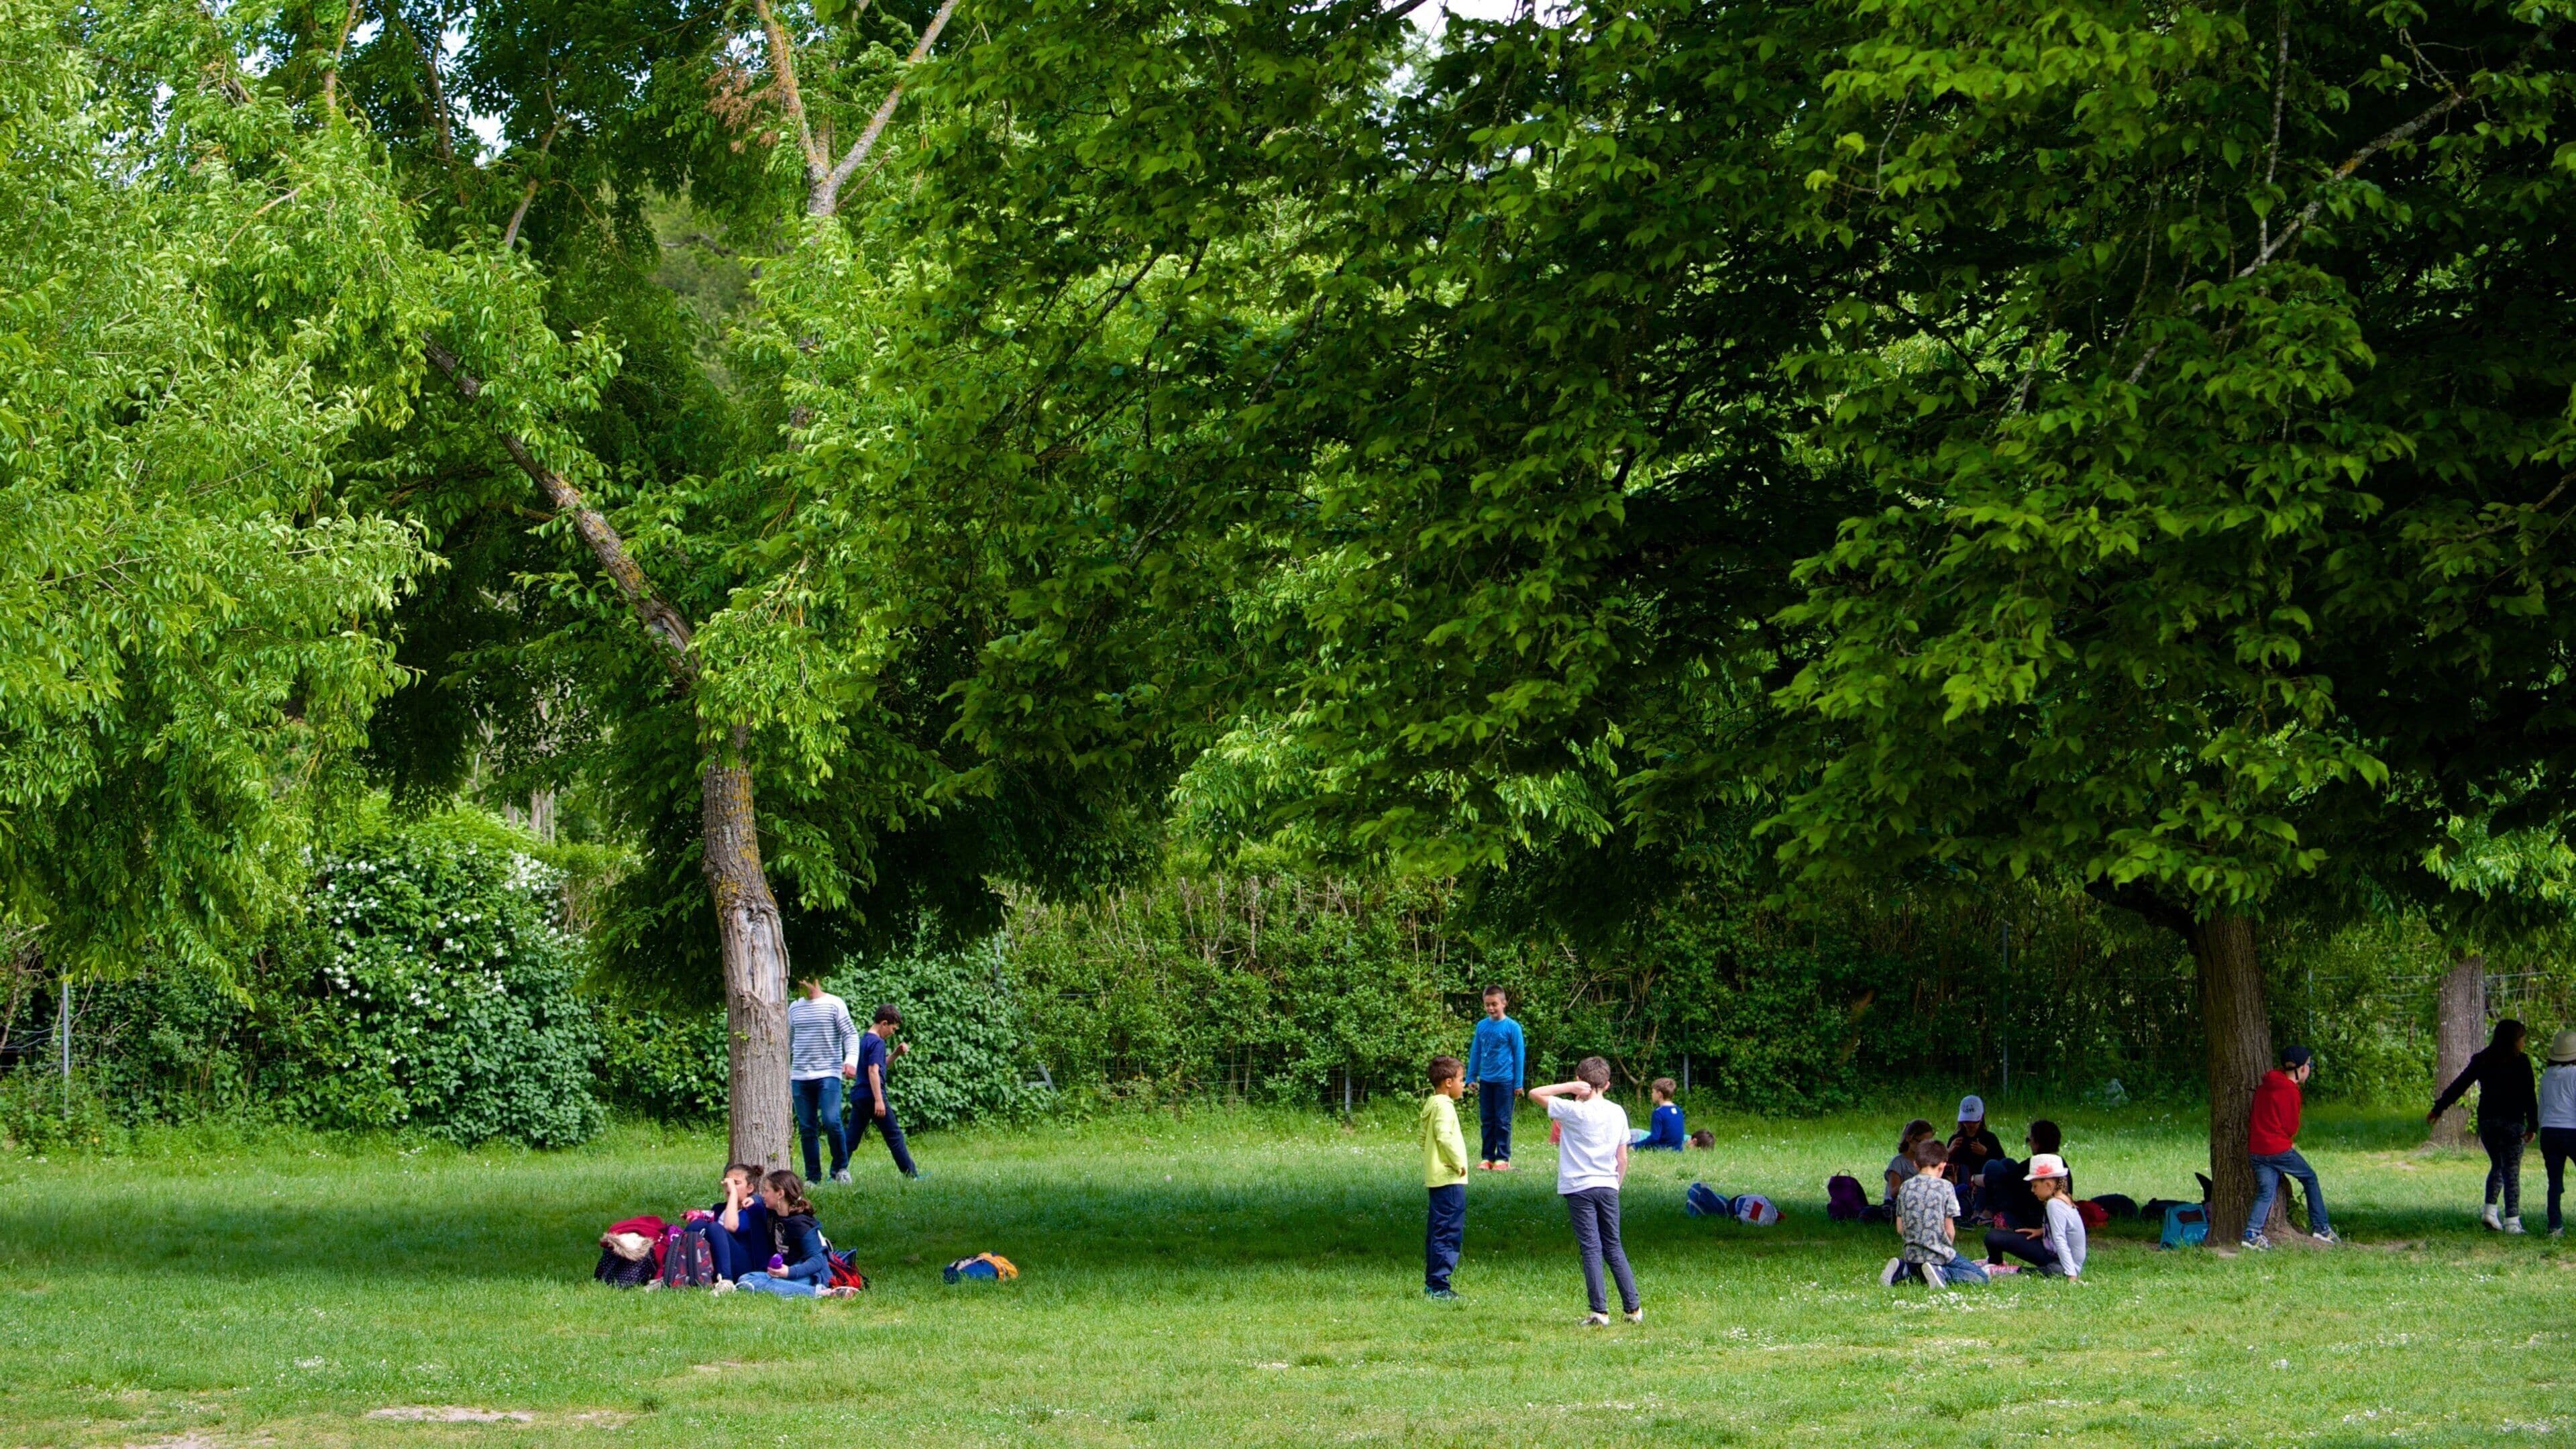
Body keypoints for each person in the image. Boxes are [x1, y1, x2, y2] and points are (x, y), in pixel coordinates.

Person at [1531, 1057, 1642, 1325]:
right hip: (1608, 1186)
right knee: (1613, 1245)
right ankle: (1634, 1309)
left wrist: (1569, 1086)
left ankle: (1599, 1312)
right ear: (1608, 1084)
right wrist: (1615, 1185)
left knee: (1591, 1247)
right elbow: (1623, 1158)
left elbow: (1535, 1093)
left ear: (1579, 1081)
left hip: (1579, 1187)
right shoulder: (1617, 1112)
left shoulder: (1572, 1110)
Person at [2430, 1018, 2538, 1234]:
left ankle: (2489, 1211)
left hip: (2487, 1122)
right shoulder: (2521, 1062)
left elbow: (2460, 1084)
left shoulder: (2482, 1059)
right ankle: (2512, 1222)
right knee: (2511, 1170)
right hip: (2512, 1122)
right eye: (2522, 1039)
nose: (2524, 1043)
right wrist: (2533, 1125)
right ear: (2513, 1040)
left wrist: (2439, 1107)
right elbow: (2529, 1095)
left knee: (2498, 1164)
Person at [2246, 1044, 2337, 1248]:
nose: (2310, 1069)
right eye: (2310, 1065)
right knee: (2309, 1178)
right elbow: (2290, 1127)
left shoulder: (2265, 1086)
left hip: (2257, 1150)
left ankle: (2252, 1234)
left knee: (2266, 1191)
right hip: (2278, 1150)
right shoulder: (2290, 1091)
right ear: (2302, 1068)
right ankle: (2321, 1227)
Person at [1880, 1136, 1988, 1287]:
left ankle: (1904, 1269)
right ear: (1942, 1166)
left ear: (1915, 1164)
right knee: (1981, 1277)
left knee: (1923, 1269)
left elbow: (1900, 1228)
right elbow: (1949, 1230)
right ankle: (1942, 1272)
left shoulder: (1905, 1187)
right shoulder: (1946, 1187)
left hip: (1912, 1254)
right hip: (1940, 1253)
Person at [729, 1171, 857, 1298]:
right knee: (747, 1279)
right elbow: (761, 1200)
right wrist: (754, 1199)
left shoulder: (800, 1223)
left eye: (766, 1191)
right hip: (788, 1272)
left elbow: (817, 1261)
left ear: (780, 1194)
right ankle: (799, 1290)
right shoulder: (774, 1212)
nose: (763, 1195)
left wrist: (789, 1272)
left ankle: (822, 1293)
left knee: (747, 1281)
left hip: (810, 1275)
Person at [787, 978, 859, 1184]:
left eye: (805, 978)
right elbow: (789, 1040)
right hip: (800, 1076)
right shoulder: (794, 1007)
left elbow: (850, 1035)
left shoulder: (834, 1004)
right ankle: (813, 1177)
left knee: (831, 1120)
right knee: (807, 1127)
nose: (801, 982)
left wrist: (851, 1060)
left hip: (828, 1073)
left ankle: (840, 1169)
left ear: (815, 979)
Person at [849, 1003, 920, 1179]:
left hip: (859, 1096)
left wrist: (895, 1054)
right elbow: (873, 1072)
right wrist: (879, 1100)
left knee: (851, 1138)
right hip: (873, 1096)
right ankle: (911, 1175)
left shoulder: (864, 1040)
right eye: (893, 1029)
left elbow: (879, 1066)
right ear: (884, 1023)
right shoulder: (878, 1042)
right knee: (894, 1136)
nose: (893, 1033)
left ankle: (836, 1172)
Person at [1986, 1153, 2086, 1277]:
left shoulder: (2054, 1204)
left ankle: (2010, 1271)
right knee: (1993, 1237)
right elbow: (2067, 1229)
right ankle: (1995, 1263)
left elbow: (2060, 1240)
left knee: (2056, 1271)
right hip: (2051, 1252)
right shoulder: (2062, 1199)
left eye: (2035, 1186)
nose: (2032, 1190)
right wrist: (2042, 1231)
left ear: (2048, 1185)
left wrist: (2071, 1274)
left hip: (2064, 1262)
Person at [1421, 1055, 1470, 1299]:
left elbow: (1423, 1138)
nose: (1464, 1084)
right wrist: (1458, 1162)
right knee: (1449, 1232)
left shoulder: (1431, 1103)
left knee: (1437, 1230)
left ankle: (1433, 1283)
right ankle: (1439, 1286)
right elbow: (1443, 1136)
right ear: (1449, 1082)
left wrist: (1432, 1160)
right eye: (1461, 1080)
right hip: (1449, 1178)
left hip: (1437, 1176)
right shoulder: (1444, 1106)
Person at [1979, 1119, 2066, 1254]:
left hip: (2032, 1219)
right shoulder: (2061, 1163)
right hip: (2036, 1213)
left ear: (2037, 1143)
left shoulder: (2037, 1166)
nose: (2029, 1143)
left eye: (2029, 1140)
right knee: (2007, 1162)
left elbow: (2004, 1181)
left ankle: (1981, 1211)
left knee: (1993, 1166)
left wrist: (1977, 1179)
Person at [1466, 987, 1525, 1171]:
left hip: (1505, 1082)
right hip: (1486, 1081)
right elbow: (1476, 1052)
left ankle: (1503, 1158)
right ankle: (1487, 1158)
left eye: (1494, 1004)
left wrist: (1518, 1083)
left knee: (1503, 1121)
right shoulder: (1481, 1026)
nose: (1491, 1008)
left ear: (1504, 1003)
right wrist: (1471, 1077)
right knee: (1487, 1120)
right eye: (1487, 1005)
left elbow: (1519, 1055)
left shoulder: (1513, 1027)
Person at [704, 1162, 772, 1283]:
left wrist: (733, 1193)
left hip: (745, 1266)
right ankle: (682, 1274)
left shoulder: (754, 1210)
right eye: (728, 1183)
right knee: (697, 1225)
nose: (729, 1187)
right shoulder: (718, 1208)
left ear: (750, 1188)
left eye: (736, 1183)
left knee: (715, 1227)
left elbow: (731, 1226)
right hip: (717, 1261)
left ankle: (726, 1281)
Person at [2539, 1030, 2576, 1239]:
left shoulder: (2547, 1076)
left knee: (2554, 1183)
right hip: (2572, 1130)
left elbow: (2542, 1107)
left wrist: (2540, 1126)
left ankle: (2555, 1226)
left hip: (2549, 1132)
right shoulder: (2575, 1074)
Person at [1945, 1096, 2003, 1213]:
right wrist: (1949, 1152)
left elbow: (2001, 1166)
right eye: (1966, 1122)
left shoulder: (1990, 1139)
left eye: (1974, 1121)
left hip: (1984, 1185)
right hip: (1961, 1185)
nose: (1970, 1125)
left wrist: (1987, 1153)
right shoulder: (1956, 1140)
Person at [1886, 1119, 1937, 1208]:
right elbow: (1894, 1193)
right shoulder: (1898, 1162)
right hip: (1899, 1205)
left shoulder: (1929, 1161)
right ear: (1909, 1139)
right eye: (1922, 1142)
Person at [1631, 1078, 1686, 1150]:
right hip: (1678, 1149)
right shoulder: (1679, 1110)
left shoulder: (1658, 1113)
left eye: (1653, 1092)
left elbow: (1654, 1138)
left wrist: (1635, 1146)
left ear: (1659, 1094)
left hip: (1662, 1148)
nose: (1652, 1094)